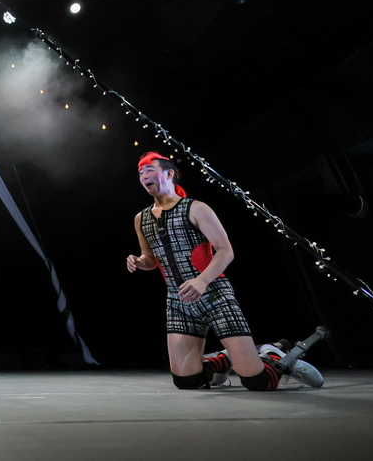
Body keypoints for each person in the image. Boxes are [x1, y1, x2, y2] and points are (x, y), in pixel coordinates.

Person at [127, 152, 323, 390]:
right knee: (186, 381)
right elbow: (150, 259)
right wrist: (139, 261)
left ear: (169, 174)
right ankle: (225, 359)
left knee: (258, 382)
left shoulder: (196, 208)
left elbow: (225, 250)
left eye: (149, 170)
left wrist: (202, 281)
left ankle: (274, 354)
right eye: (140, 173)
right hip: (179, 300)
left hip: (215, 293)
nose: (144, 176)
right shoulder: (141, 218)